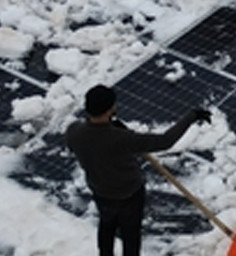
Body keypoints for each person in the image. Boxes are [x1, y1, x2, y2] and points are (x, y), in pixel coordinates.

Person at [66, 84, 211, 256]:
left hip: (101, 193)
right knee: (130, 235)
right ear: (108, 110)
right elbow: (165, 141)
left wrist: (110, 130)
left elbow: (89, 143)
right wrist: (192, 116)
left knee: (106, 226)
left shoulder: (74, 131)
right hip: (129, 195)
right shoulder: (121, 138)